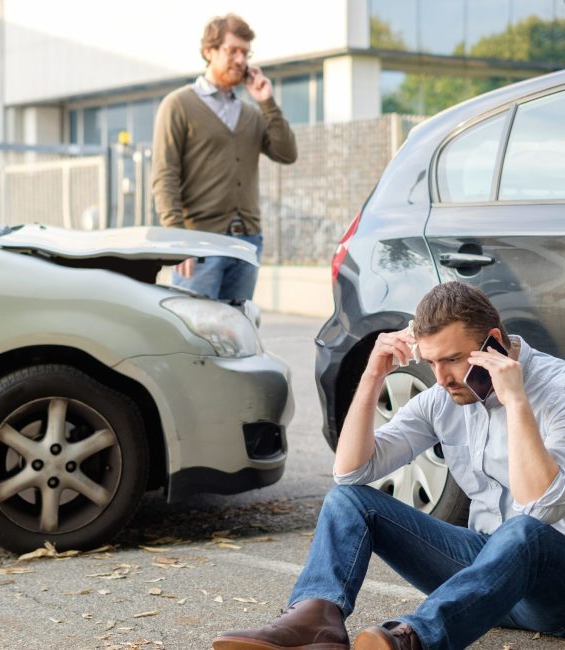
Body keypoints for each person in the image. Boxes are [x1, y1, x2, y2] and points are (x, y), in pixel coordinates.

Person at [213, 281, 565, 650]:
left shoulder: (555, 389)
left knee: (523, 532)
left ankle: (416, 639)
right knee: (348, 500)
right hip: (484, 578)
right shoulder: (442, 400)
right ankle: (316, 621)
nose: (442, 378)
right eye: (431, 362)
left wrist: (516, 403)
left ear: (492, 342)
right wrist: (372, 375)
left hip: (551, 589)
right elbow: (351, 472)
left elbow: (540, 506)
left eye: (452, 359)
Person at [151, 13, 297, 303]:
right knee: (193, 333)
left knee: (235, 334)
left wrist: (266, 101)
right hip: (199, 242)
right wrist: (178, 239)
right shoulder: (178, 105)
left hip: (247, 242)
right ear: (209, 51)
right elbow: (164, 175)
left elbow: (286, 153)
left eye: (245, 52)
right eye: (232, 50)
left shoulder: (251, 113)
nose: (240, 60)